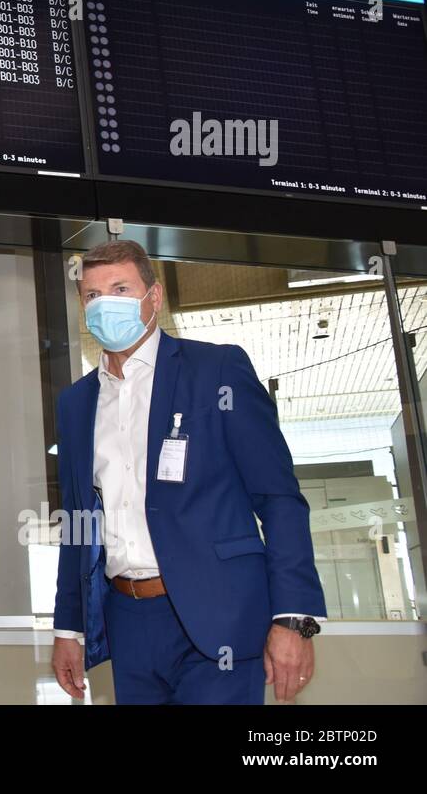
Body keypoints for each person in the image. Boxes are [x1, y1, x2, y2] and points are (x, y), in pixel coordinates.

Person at [51, 240, 325, 704]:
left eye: (120, 288)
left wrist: (293, 617)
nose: (105, 304)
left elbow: (278, 497)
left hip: (220, 614)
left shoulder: (217, 370)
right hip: (128, 621)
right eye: (94, 295)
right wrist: (69, 627)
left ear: (153, 298)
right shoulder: (77, 403)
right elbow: (78, 522)